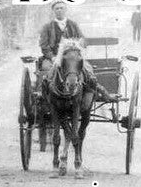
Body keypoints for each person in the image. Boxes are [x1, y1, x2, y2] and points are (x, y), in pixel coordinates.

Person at [45, 40, 113, 177]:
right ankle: (45, 93)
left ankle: (93, 86)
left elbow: (80, 40)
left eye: (62, 15)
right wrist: (51, 54)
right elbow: (44, 43)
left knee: (88, 74)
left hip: (74, 55)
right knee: (48, 75)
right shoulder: (50, 27)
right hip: (55, 56)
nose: (60, 15)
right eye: (58, 15)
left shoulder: (72, 25)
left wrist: (76, 46)